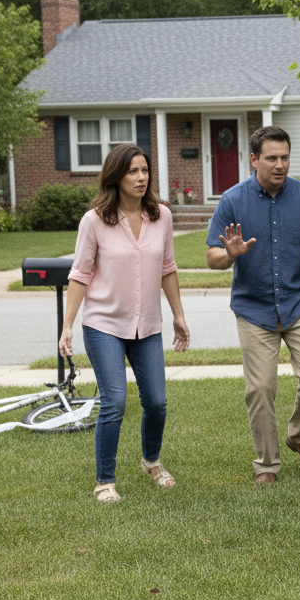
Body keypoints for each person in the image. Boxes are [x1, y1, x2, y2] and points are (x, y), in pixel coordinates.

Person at [206, 126, 300, 485]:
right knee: (260, 388)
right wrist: (230, 254)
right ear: (254, 159)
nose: (280, 165)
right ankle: (267, 464)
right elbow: (212, 257)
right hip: (254, 308)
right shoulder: (232, 200)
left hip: (299, 301)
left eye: (285, 157)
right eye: (271, 158)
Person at [59, 143, 190, 502]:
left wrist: (178, 316)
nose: (140, 177)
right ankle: (105, 481)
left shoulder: (161, 217)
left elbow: (167, 268)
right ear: (116, 177)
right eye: (132, 171)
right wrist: (68, 325)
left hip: (147, 324)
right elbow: (80, 274)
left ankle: (151, 461)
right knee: (115, 401)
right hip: (103, 324)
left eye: (144, 170)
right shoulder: (94, 221)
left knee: (157, 401)